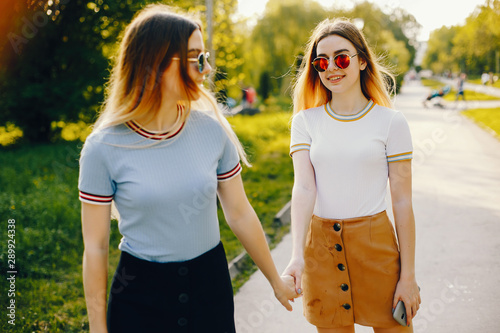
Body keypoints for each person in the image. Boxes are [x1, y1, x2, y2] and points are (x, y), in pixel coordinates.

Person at [78, 4, 297, 332]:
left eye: (204, 57)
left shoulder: (213, 130)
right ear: (156, 61)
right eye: (196, 58)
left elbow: (239, 212)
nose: (206, 69)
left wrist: (275, 281)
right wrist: (98, 329)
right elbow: (95, 248)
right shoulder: (102, 147)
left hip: (210, 289)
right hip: (139, 296)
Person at [283, 18, 421, 332]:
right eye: (321, 61)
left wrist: (408, 276)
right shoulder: (304, 122)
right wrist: (296, 257)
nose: (332, 67)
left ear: (361, 61)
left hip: (377, 251)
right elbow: (303, 189)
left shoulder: (391, 122)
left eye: (342, 58)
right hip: (321, 251)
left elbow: (402, 202)